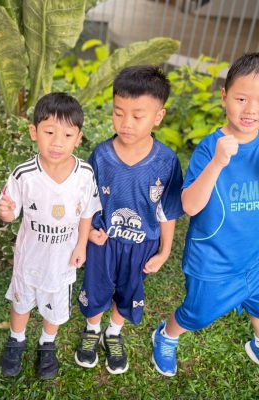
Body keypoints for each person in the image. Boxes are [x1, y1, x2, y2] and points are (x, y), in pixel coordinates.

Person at [152, 52, 259, 377]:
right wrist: (217, 164)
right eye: (242, 98)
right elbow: (189, 206)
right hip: (213, 261)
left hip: (253, 256)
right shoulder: (210, 148)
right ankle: (167, 335)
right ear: (224, 97)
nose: (251, 110)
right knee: (197, 313)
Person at [75, 66, 184, 374]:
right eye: (118, 113)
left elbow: (167, 210)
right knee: (96, 286)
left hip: (141, 245)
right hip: (103, 240)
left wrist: (164, 251)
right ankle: (92, 330)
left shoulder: (166, 161)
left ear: (158, 117)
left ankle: (113, 333)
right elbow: (88, 201)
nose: (126, 123)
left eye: (138, 116)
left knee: (128, 290)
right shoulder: (101, 155)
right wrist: (88, 234)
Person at [0, 92, 101, 379]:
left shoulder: (84, 174)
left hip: (62, 260)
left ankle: (47, 344)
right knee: (21, 303)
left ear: (78, 138)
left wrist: (82, 245)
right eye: (49, 132)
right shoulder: (24, 174)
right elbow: (10, 212)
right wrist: (5, 212)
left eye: (67, 135)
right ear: (34, 132)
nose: (57, 142)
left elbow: (87, 212)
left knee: (54, 308)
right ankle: (16, 340)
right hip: (29, 258)